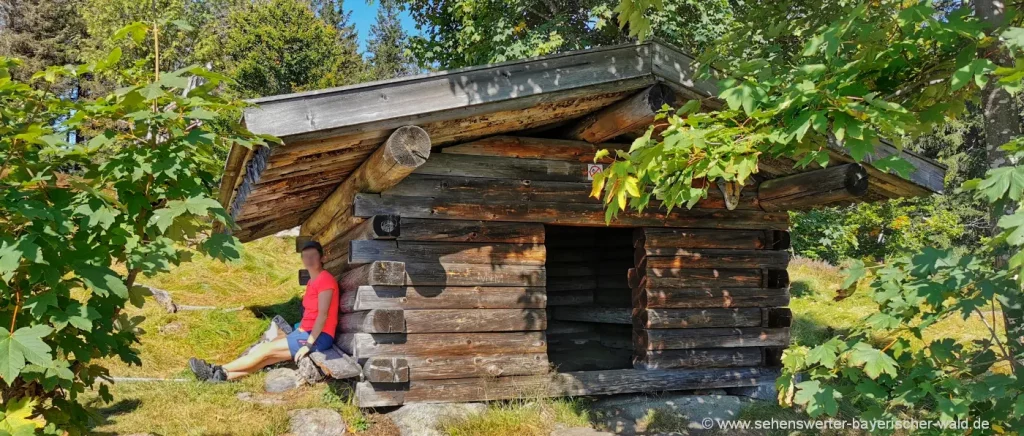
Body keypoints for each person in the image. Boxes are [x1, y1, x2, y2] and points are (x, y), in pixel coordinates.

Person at [188, 241, 340, 382]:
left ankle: (215, 369)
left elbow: (323, 315)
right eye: (305, 256)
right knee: (267, 358)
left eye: (313, 255)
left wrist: (308, 345)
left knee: (266, 349)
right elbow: (310, 313)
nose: (309, 259)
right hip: (306, 331)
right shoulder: (311, 281)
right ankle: (221, 378)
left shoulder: (325, 280)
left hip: (319, 337)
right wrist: (300, 329)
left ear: (321, 257)